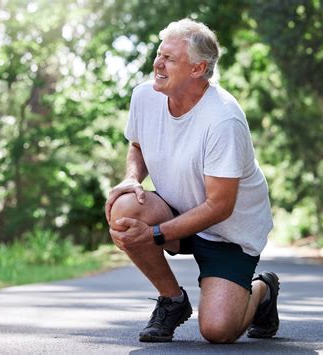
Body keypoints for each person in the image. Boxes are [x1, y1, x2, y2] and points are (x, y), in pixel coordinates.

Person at [105, 18, 279, 344]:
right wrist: (131, 179)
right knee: (126, 207)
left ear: (198, 69)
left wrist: (155, 234)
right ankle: (172, 301)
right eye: (159, 54)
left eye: (169, 58)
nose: (157, 63)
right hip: (177, 208)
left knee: (218, 331)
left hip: (228, 232)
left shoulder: (224, 119)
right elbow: (138, 144)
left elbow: (220, 206)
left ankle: (262, 290)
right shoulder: (145, 96)